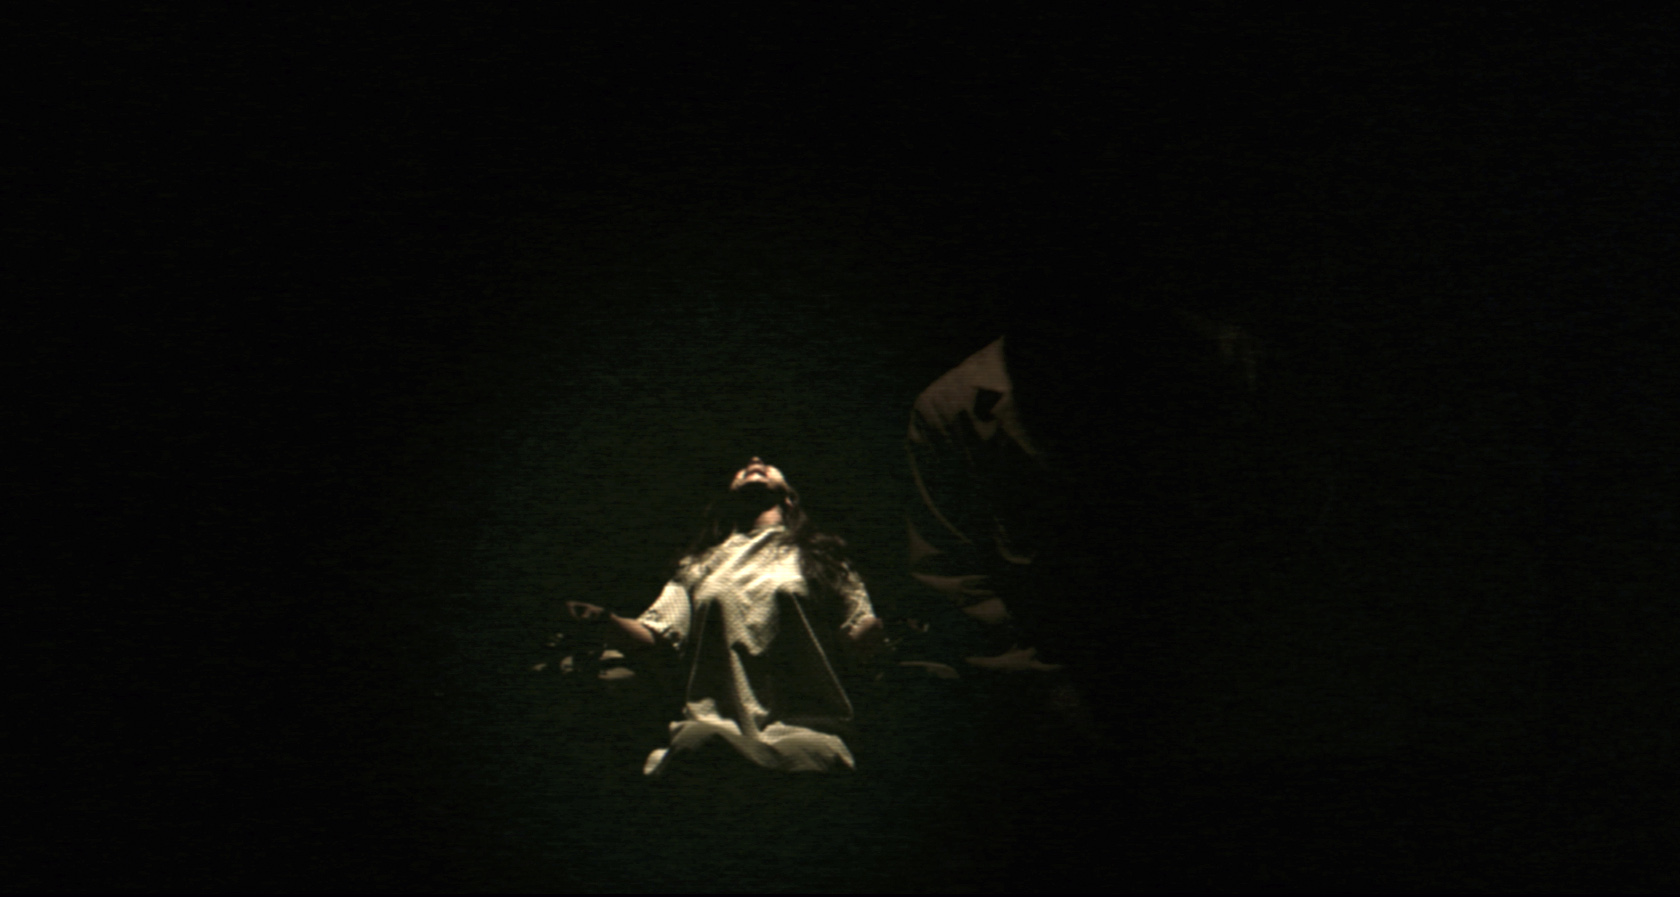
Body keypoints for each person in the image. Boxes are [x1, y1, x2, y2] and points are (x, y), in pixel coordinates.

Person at [566, 457, 884, 777]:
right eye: (744, 465)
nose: (755, 461)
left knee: (799, 765)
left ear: (790, 498)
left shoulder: (821, 559)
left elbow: (858, 631)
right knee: (698, 748)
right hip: (715, 728)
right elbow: (656, 634)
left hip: (806, 728)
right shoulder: (699, 565)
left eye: (767, 464)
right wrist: (603, 620)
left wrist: (869, 633)